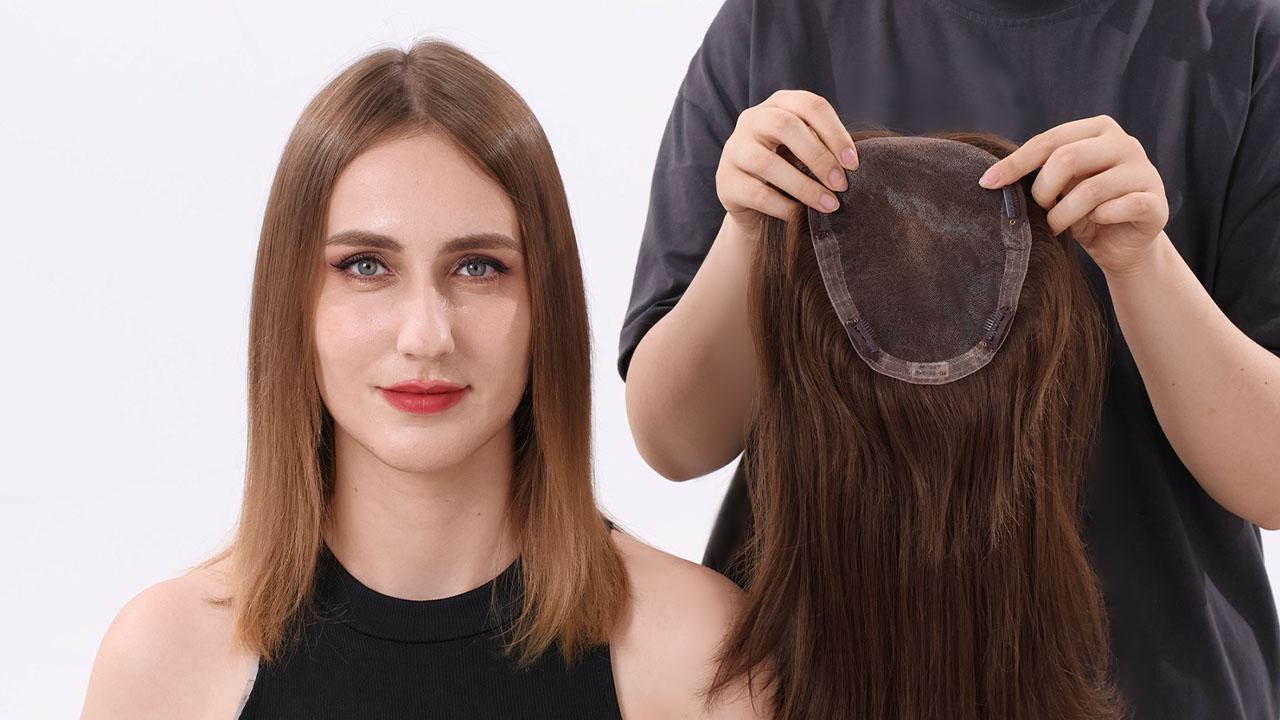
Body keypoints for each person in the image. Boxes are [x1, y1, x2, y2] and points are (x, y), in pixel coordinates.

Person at [621, 1, 1280, 717]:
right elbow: (675, 442)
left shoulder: (1242, 41)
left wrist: (1142, 263)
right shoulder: (778, 23)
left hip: (1156, 686)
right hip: (820, 684)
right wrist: (747, 232)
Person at [81, 40, 762, 720]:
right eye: (365, 266)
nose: (426, 336)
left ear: (545, 308)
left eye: (477, 267)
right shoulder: (162, 665)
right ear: (292, 304)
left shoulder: (700, 658)